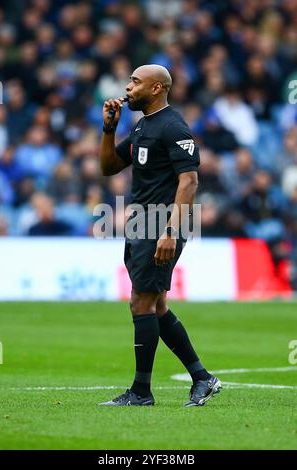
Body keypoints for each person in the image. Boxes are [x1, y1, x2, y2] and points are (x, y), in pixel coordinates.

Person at [99, 64, 221, 407]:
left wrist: (170, 230)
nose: (128, 87)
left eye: (135, 82)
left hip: (160, 225)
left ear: (156, 88)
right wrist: (108, 129)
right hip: (143, 225)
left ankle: (141, 392)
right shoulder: (143, 126)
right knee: (156, 304)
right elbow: (109, 167)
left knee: (142, 302)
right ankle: (202, 378)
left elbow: (190, 181)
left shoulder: (173, 126)